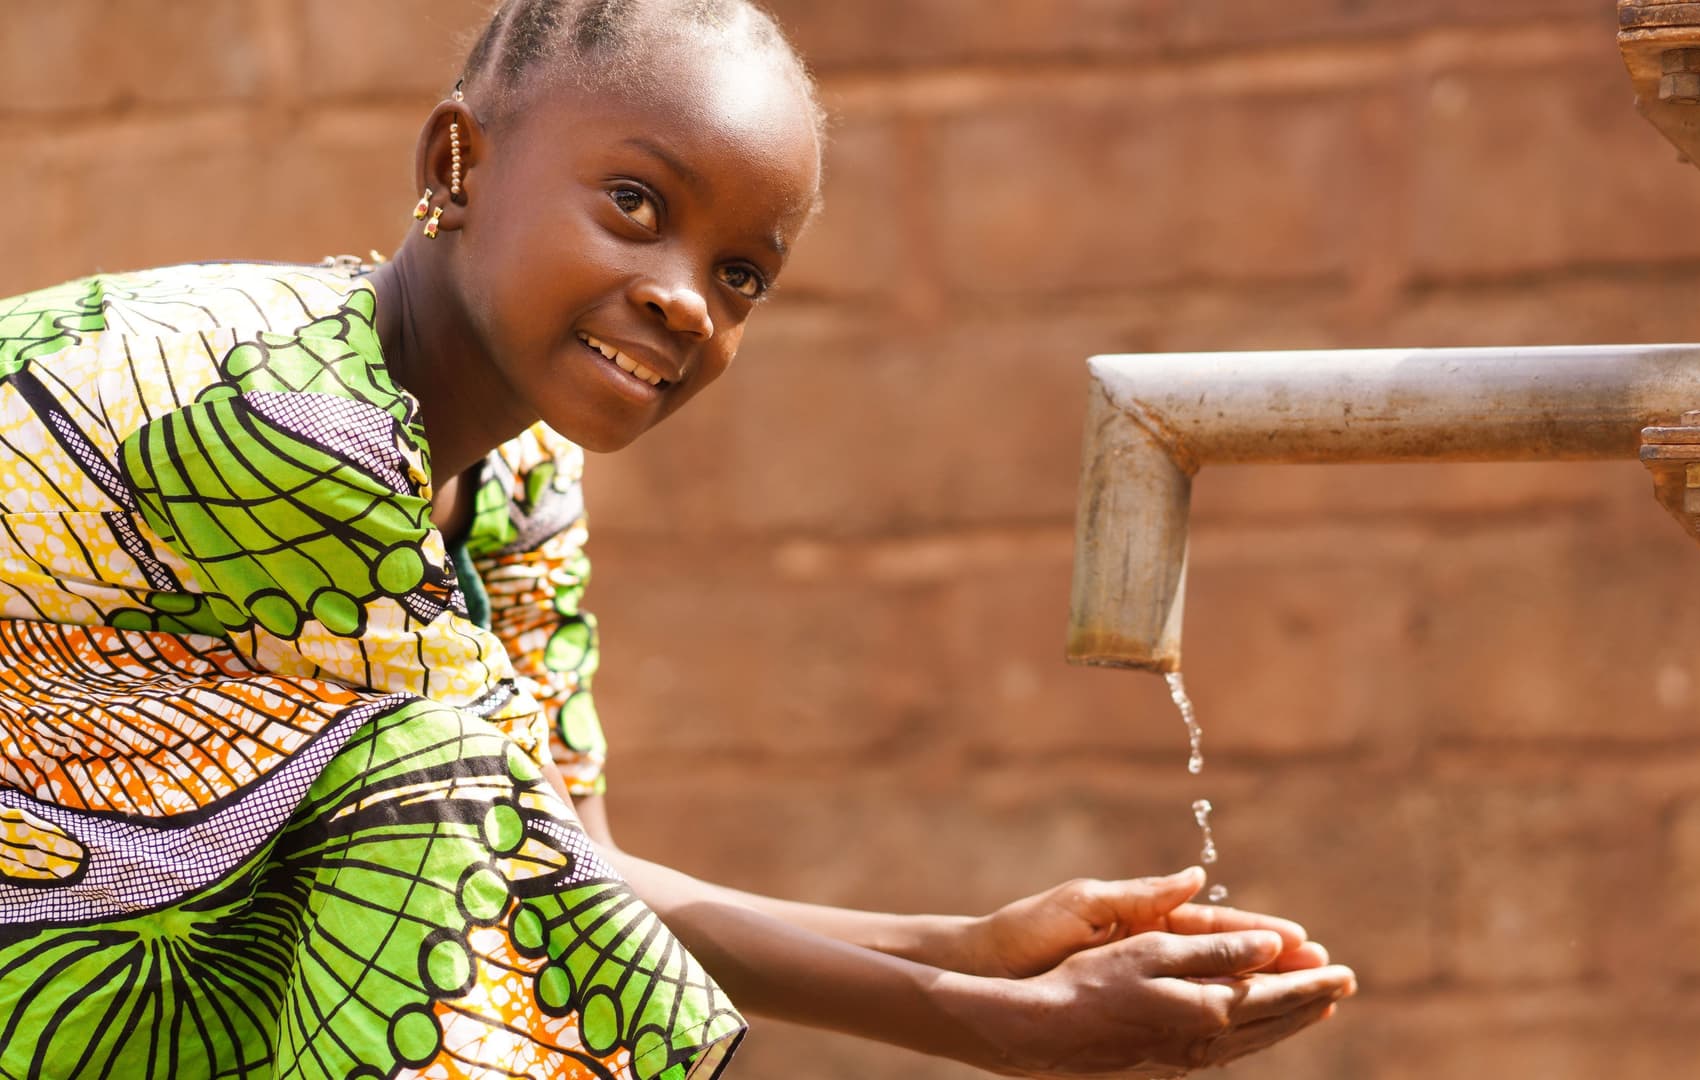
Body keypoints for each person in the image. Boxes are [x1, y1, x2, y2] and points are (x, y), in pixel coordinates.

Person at [0, 1, 1356, 1076]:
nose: (688, 301)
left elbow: (557, 864)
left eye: (740, 272)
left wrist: (974, 948)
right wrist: (993, 1025)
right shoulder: (284, 414)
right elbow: (485, 851)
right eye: (637, 205)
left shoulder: (516, 474)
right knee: (424, 783)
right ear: (454, 165)